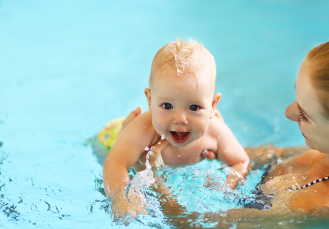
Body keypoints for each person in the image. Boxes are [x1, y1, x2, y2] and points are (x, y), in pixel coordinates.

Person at [123, 33, 329, 227]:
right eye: (297, 95)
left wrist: (144, 168)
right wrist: (210, 145)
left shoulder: (315, 206)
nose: (288, 112)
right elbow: (275, 155)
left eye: (306, 115)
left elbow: (196, 223)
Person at [102, 38, 250, 221]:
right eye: (167, 105)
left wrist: (227, 187)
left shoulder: (215, 131)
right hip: (111, 137)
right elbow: (115, 163)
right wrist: (119, 199)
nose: (180, 119)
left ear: (212, 105)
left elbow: (241, 161)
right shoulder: (144, 128)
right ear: (150, 100)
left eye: (194, 108)